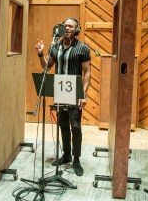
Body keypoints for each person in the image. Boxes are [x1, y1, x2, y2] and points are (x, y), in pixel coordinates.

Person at [35, 18, 91, 176]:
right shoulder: (55, 46)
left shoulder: (82, 48)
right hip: (60, 91)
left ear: (76, 29)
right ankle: (66, 155)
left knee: (76, 126)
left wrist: (84, 94)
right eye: (65, 25)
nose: (67, 28)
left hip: (75, 92)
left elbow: (87, 72)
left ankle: (76, 159)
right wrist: (40, 54)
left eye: (70, 26)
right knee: (63, 125)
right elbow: (47, 66)